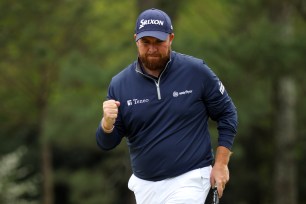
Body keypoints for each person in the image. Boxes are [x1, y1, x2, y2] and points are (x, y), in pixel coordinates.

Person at [96, 8, 238, 204]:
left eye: (159, 42)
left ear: (171, 38)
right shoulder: (120, 84)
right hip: (145, 186)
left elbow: (227, 113)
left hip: (191, 178)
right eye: (146, 43)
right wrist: (107, 124)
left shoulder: (196, 72)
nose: (152, 49)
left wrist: (221, 164)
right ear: (136, 39)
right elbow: (106, 143)